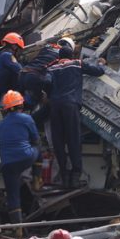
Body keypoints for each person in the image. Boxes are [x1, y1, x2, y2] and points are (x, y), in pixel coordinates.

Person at [47, 46, 105, 188]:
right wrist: (102, 63)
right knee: (73, 139)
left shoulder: (51, 68)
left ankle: (64, 174)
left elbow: (46, 84)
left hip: (54, 106)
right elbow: (98, 72)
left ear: (59, 57)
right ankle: (75, 175)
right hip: (70, 105)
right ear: (72, 55)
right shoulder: (77, 64)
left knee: (58, 141)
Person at [0, 90, 40, 225]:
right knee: (38, 146)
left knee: (13, 195)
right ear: (21, 105)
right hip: (26, 158)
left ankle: (17, 229)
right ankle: (37, 180)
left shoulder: (1, 124)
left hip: (8, 164)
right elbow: (35, 139)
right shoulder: (27, 118)